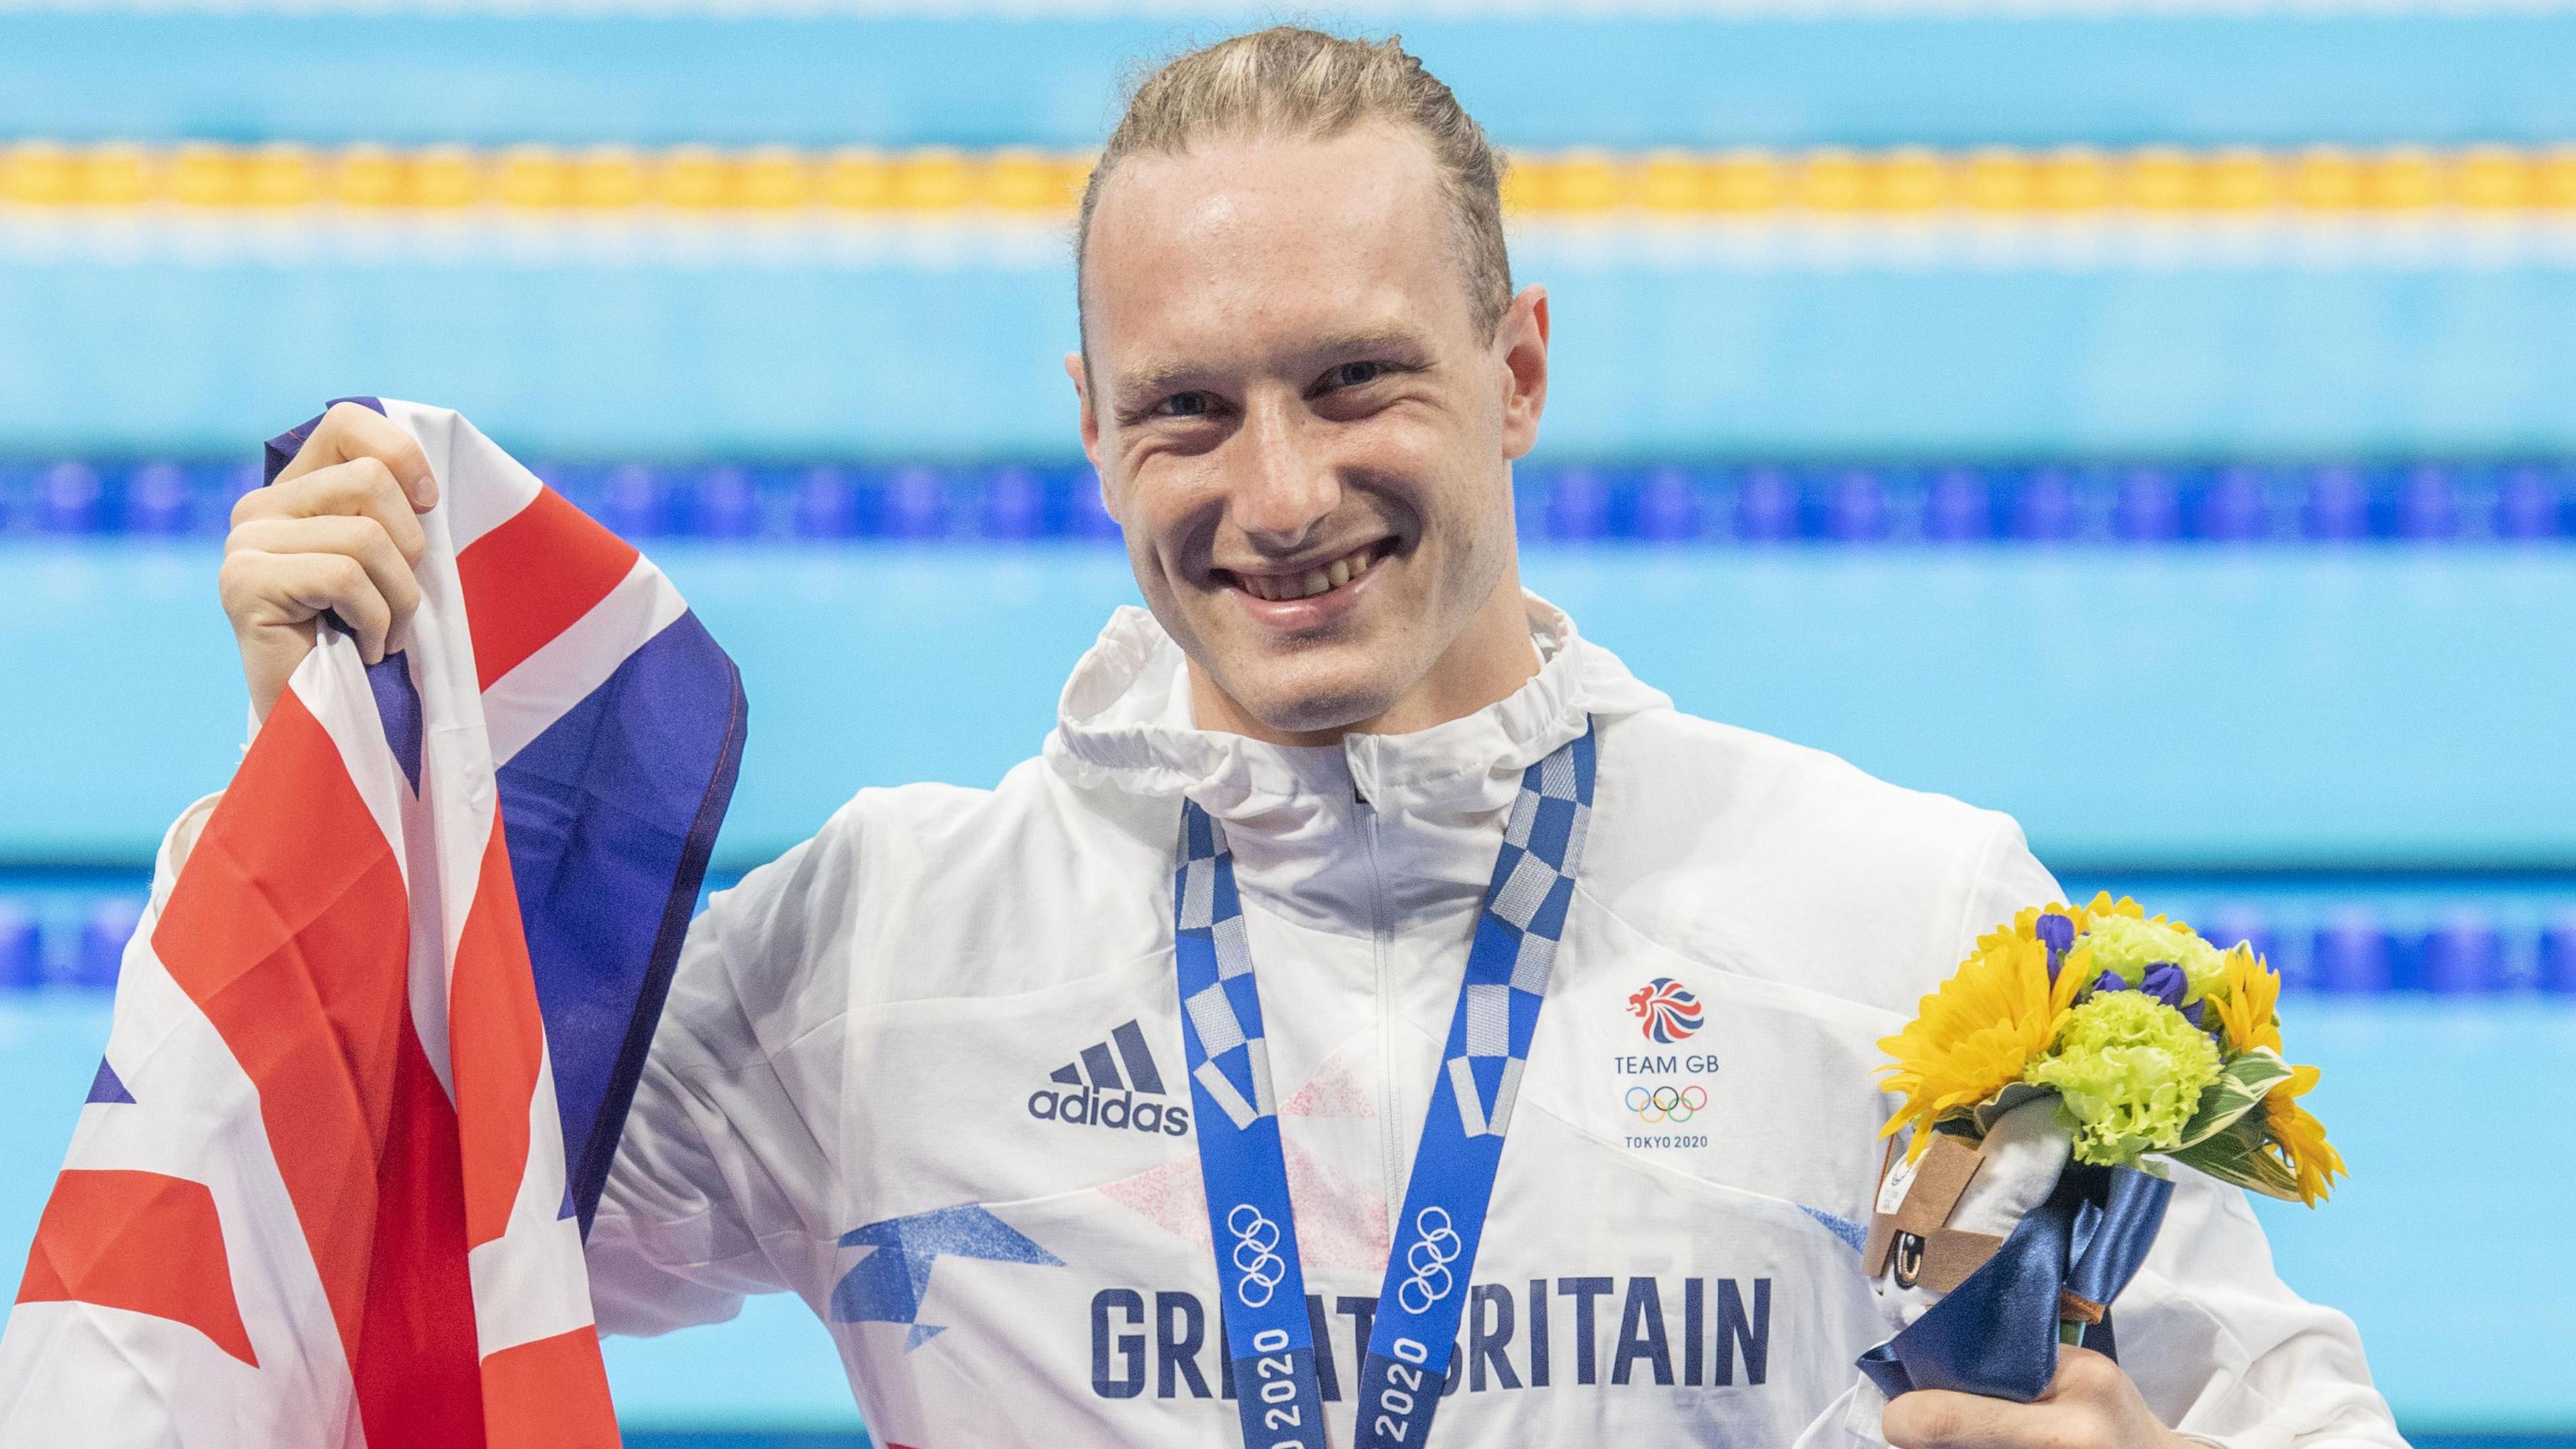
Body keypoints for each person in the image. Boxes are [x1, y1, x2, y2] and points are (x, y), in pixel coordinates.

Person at [203, 26, 2399, 1448]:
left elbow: (2297, 1416)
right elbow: (364, 1248)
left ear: (1519, 369)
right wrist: (306, 782)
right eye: (1189, 409)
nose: (1276, 494)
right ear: (1089, 429)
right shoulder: (877, 954)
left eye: (1357, 383)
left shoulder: (1898, 915)